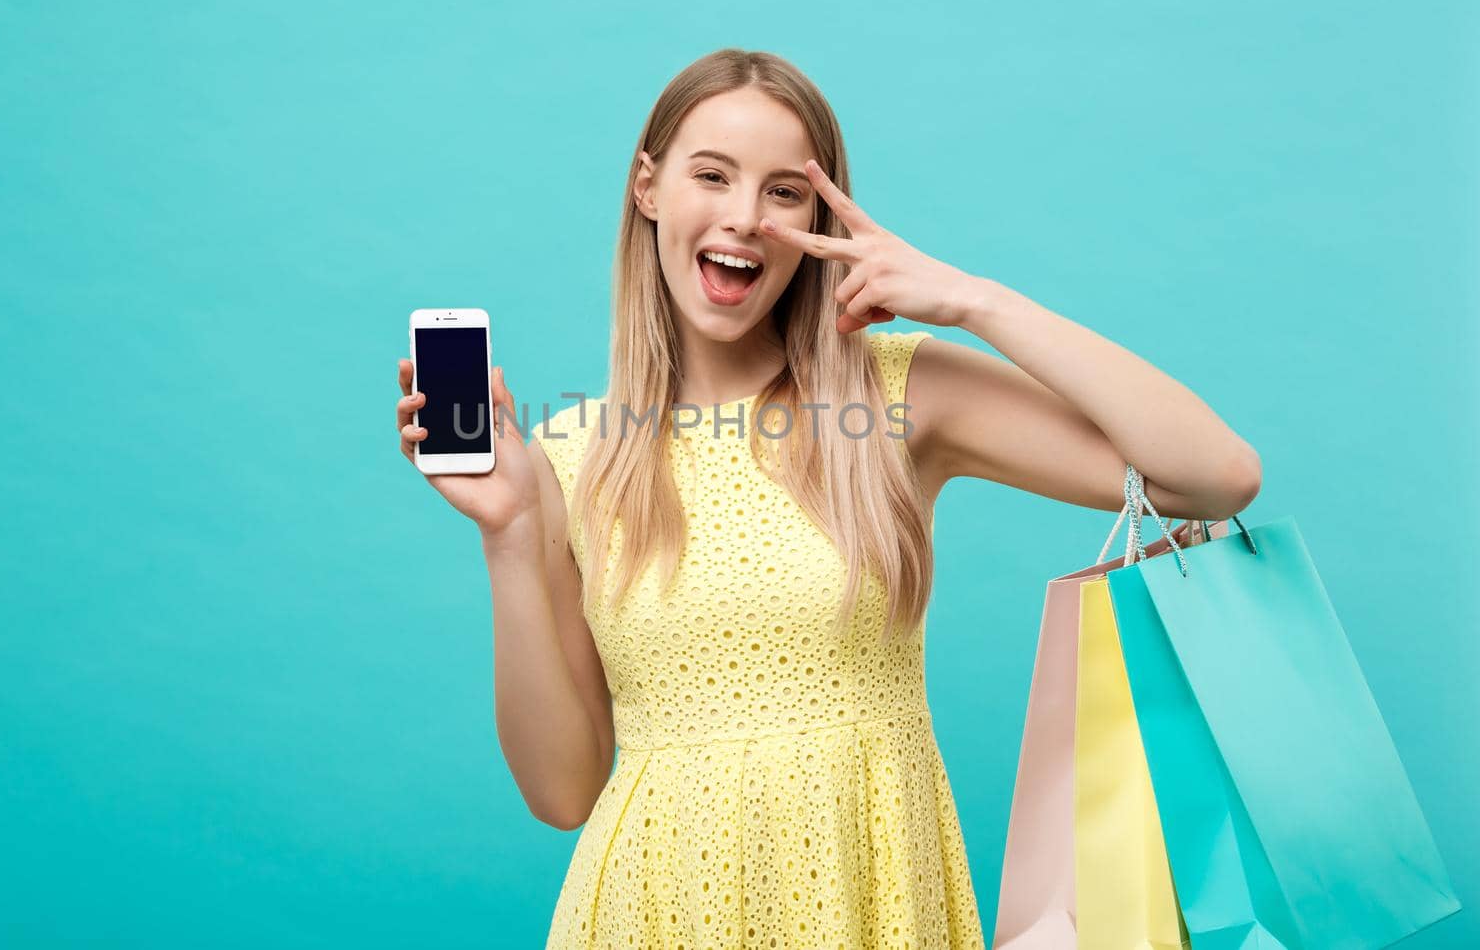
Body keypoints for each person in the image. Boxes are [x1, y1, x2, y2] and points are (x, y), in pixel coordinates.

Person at [394, 48, 1261, 948]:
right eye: (712, 175)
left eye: (782, 192)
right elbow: (562, 792)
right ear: (646, 187)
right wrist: (510, 530)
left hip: (872, 898)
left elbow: (1214, 473)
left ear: (818, 217)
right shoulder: (571, 456)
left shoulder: (895, 399)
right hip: (656, 910)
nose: (744, 218)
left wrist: (970, 300)